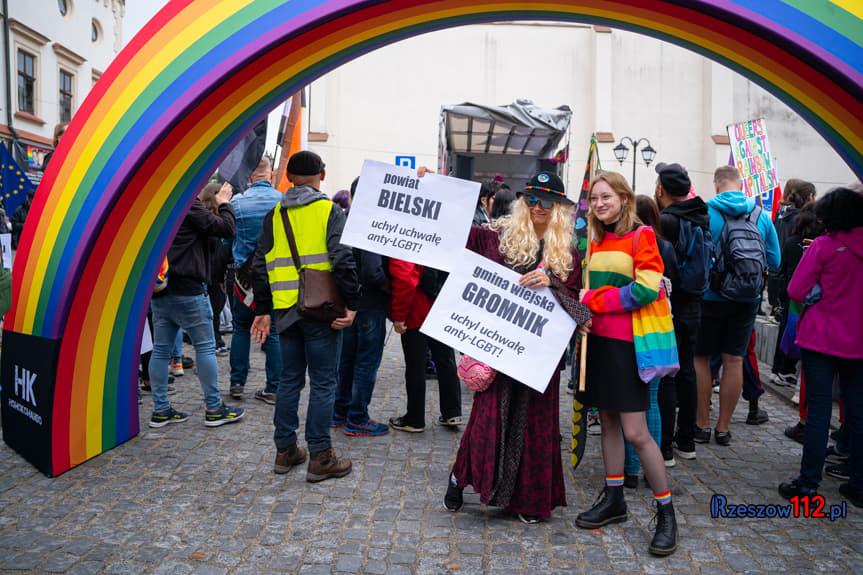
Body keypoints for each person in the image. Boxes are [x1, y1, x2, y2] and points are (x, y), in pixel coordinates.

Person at [445, 171, 582, 524]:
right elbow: (450, 232)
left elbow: (577, 305)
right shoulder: (498, 235)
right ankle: (461, 476)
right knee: (486, 419)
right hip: (499, 349)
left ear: (559, 208)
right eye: (532, 200)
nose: (538, 207)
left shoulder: (567, 252)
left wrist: (551, 282)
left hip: (540, 357)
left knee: (536, 425)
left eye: (547, 201)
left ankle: (529, 501)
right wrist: (433, 186)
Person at [575, 172, 677, 557]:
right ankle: (614, 498)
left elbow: (646, 289)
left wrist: (593, 300)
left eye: (606, 197)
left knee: (636, 431)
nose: (599, 204)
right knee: (608, 422)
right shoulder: (595, 240)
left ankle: (666, 513)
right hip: (597, 343)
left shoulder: (642, 236)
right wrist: (583, 310)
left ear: (623, 198)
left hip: (629, 346)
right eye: (594, 199)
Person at [250, 150, 359, 483]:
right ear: (321, 175)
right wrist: (351, 303)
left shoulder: (274, 215)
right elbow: (342, 259)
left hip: (286, 311)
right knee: (324, 382)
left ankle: (285, 450)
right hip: (322, 310)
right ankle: (321, 456)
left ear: (289, 178)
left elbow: (259, 265)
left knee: (289, 380)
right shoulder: (329, 211)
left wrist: (264, 309)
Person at [778, 187, 863, 508]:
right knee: (858, 412)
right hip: (858, 341)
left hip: (821, 338)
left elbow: (796, 289)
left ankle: (808, 483)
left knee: (818, 411)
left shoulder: (824, 246)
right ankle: (859, 483)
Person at [694, 165, 780, 446]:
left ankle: (701, 424)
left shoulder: (706, 212)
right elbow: (775, 261)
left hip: (711, 297)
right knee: (734, 360)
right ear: (740, 185)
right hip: (746, 299)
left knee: (701, 359)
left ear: (716, 185)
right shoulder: (760, 215)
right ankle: (723, 428)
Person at [148, 181, 245, 428]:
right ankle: (214, 408)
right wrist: (224, 203)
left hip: (161, 289)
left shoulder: (158, 205)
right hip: (188, 289)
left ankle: (160, 410)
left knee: (160, 350)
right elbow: (226, 228)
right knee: (205, 347)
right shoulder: (186, 203)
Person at [654, 162, 711, 464]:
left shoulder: (667, 220)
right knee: (687, 370)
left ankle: (664, 446)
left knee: (667, 374)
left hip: (671, 304)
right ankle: (686, 440)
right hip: (695, 304)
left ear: (660, 189)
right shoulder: (701, 216)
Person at [332, 177, 391, 436]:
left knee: (346, 361)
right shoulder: (371, 222)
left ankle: (339, 413)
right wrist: (389, 288)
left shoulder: (342, 218)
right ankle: (357, 418)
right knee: (366, 362)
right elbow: (373, 271)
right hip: (368, 303)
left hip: (345, 300)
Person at [624, 195, 677, 480]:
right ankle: (650, 465)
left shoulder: (628, 241)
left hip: (632, 325)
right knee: (652, 400)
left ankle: (631, 468)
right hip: (657, 328)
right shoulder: (665, 245)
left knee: (628, 403)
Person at [228, 156, 284, 404]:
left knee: (240, 328)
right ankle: (274, 388)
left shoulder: (236, 202)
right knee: (274, 332)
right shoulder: (283, 201)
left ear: (250, 175)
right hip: (275, 275)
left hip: (244, 277)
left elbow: (228, 238)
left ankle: (237, 383)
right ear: (270, 174)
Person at [388, 256, 462, 433]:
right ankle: (452, 413)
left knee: (416, 366)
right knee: (446, 360)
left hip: (417, 311)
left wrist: (399, 315)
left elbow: (406, 279)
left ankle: (414, 419)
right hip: (440, 307)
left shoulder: (406, 246)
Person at [779, 204, 825, 443]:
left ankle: (806, 428)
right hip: (854, 335)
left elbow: (796, 290)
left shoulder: (823, 247)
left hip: (821, 328)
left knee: (815, 387)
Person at [770, 178, 816, 382]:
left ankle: (777, 369)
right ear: (809, 197)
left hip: (779, 271)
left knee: (785, 323)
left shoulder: (780, 215)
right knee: (792, 324)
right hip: (796, 276)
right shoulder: (801, 219)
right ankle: (785, 368)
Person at [198, 183, 233, 356]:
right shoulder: (213, 219)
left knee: (213, 310)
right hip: (211, 273)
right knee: (213, 310)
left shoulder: (202, 215)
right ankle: (214, 341)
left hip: (207, 271)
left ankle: (214, 339)